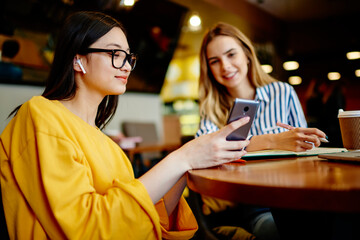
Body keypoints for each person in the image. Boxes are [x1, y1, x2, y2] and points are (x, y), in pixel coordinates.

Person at [0, 12, 252, 240]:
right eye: (114, 54)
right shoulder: (39, 114)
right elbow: (87, 230)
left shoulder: (107, 145)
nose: (127, 66)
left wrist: (188, 165)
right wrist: (181, 158)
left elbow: (147, 216)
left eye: (128, 57)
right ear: (79, 61)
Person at [195, 22, 327, 239]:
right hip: (253, 204)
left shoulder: (282, 92)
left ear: (247, 55)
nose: (225, 66)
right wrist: (273, 141)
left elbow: (309, 147)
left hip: (294, 192)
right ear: (208, 68)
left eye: (231, 55)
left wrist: (305, 140)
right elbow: (205, 151)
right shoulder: (211, 108)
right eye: (215, 61)